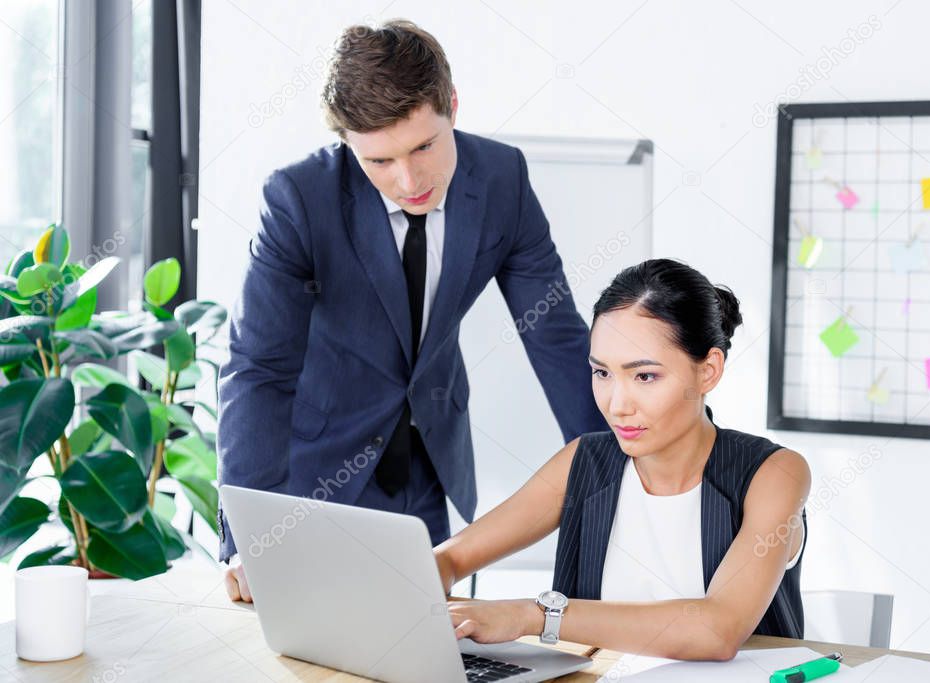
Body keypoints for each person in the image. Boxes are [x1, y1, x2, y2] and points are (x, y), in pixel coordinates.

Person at [219, 20, 605, 601]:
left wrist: (621, 475)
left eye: (424, 145)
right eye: (379, 161)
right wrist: (253, 537)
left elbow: (553, 334)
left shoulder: (502, 180)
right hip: (313, 477)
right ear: (349, 143)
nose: (409, 180)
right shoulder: (299, 199)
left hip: (430, 463)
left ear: (452, 105)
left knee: (434, 646)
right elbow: (259, 369)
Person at [434, 259, 811, 660]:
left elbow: (716, 630)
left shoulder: (774, 474)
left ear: (708, 371)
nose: (616, 405)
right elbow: (453, 557)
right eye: (602, 373)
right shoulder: (584, 461)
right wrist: (426, 578)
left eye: (644, 376)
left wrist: (536, 615)